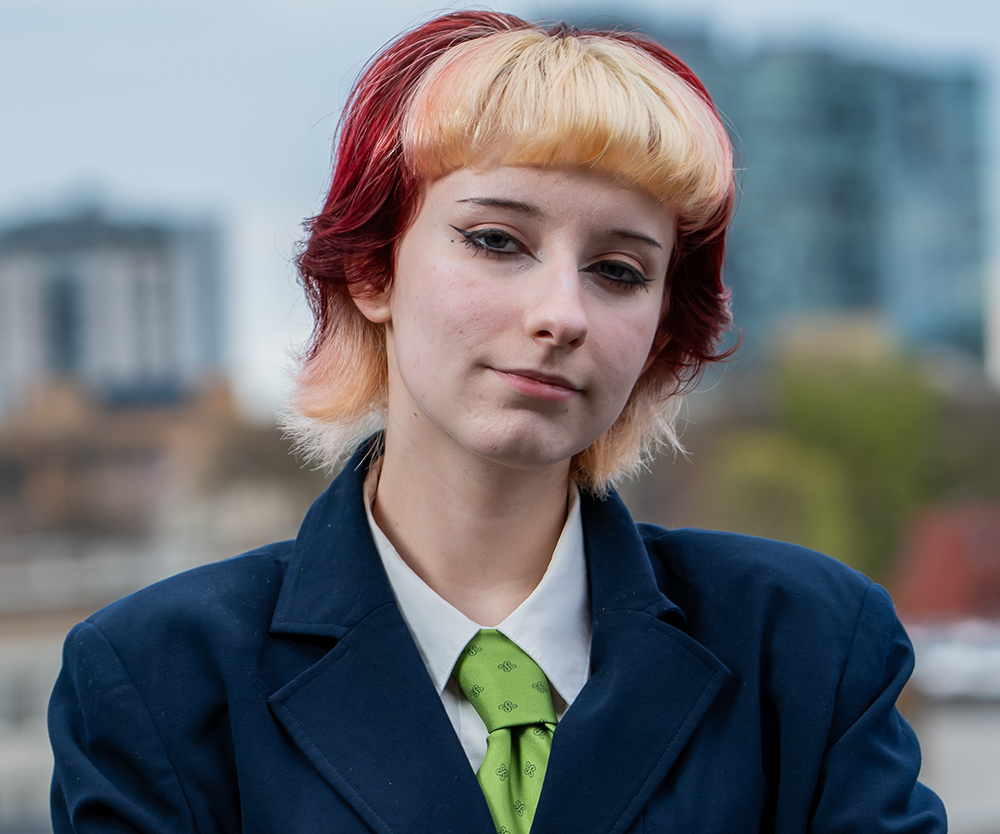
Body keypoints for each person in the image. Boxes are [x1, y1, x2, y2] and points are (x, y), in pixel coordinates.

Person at [48, 10, 946, 834]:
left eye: (620, 270)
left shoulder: (808, 648)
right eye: (496, 241)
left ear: (664, 327)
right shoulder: (156, 679)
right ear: (371, 270)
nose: (562, 314)